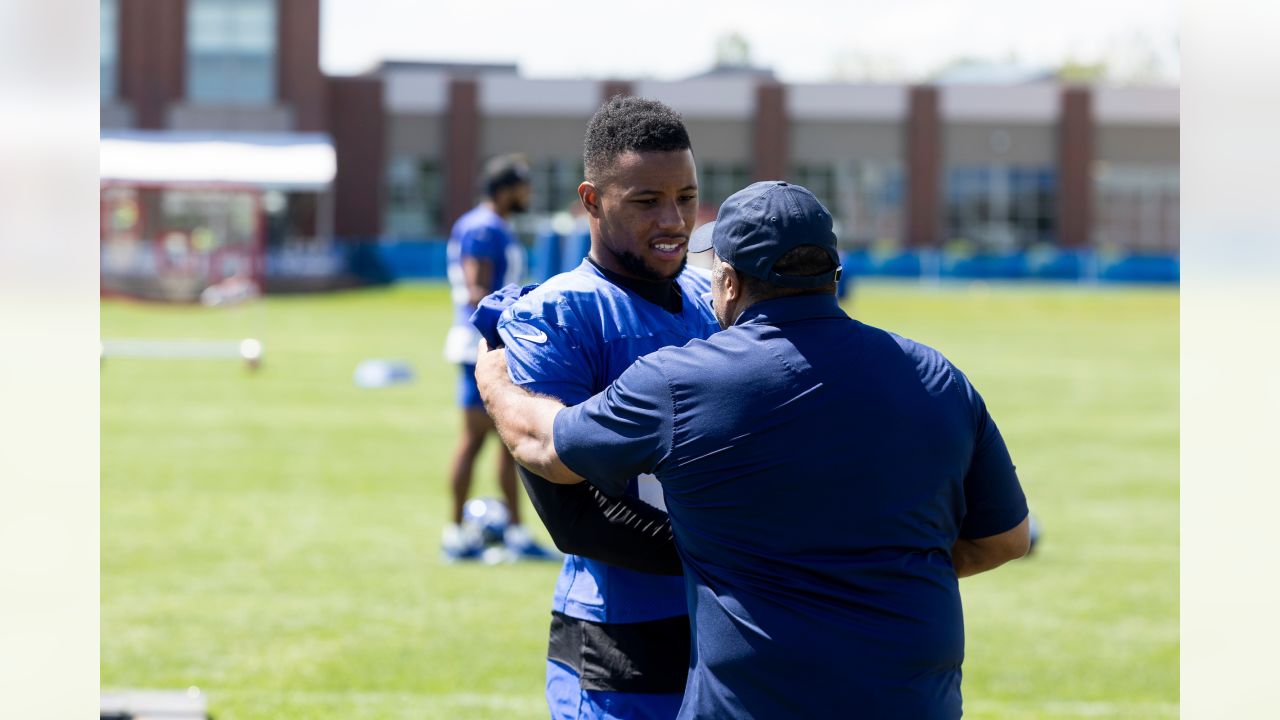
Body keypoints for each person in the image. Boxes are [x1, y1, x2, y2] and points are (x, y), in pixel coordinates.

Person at [476, 180, 1031, 719]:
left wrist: (496, 369)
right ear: (833, 275)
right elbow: (1006, 539)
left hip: (751, 698)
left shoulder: (681, 383)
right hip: (913, 698)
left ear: (728, 281)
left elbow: (546, 444)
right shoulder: (938, 377)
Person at [488, 96, 720, 720]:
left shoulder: (712, 299)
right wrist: (739, 546)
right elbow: (573, 517)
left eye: (687, 197)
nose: (674, 220)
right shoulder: (556, 313)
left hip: (730, 625)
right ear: (592, 201)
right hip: (622, 635)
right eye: (647, 201)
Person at [441, 154, 554, 562]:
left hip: (494, 345)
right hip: (482, 346)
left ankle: (514, 532)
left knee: (511, 443)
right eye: (524, 187)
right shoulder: (484, 226)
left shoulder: (491, 224)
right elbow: (477, 289)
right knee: (476, 440)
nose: (529, 195)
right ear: (506, 188)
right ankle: (455, 533)